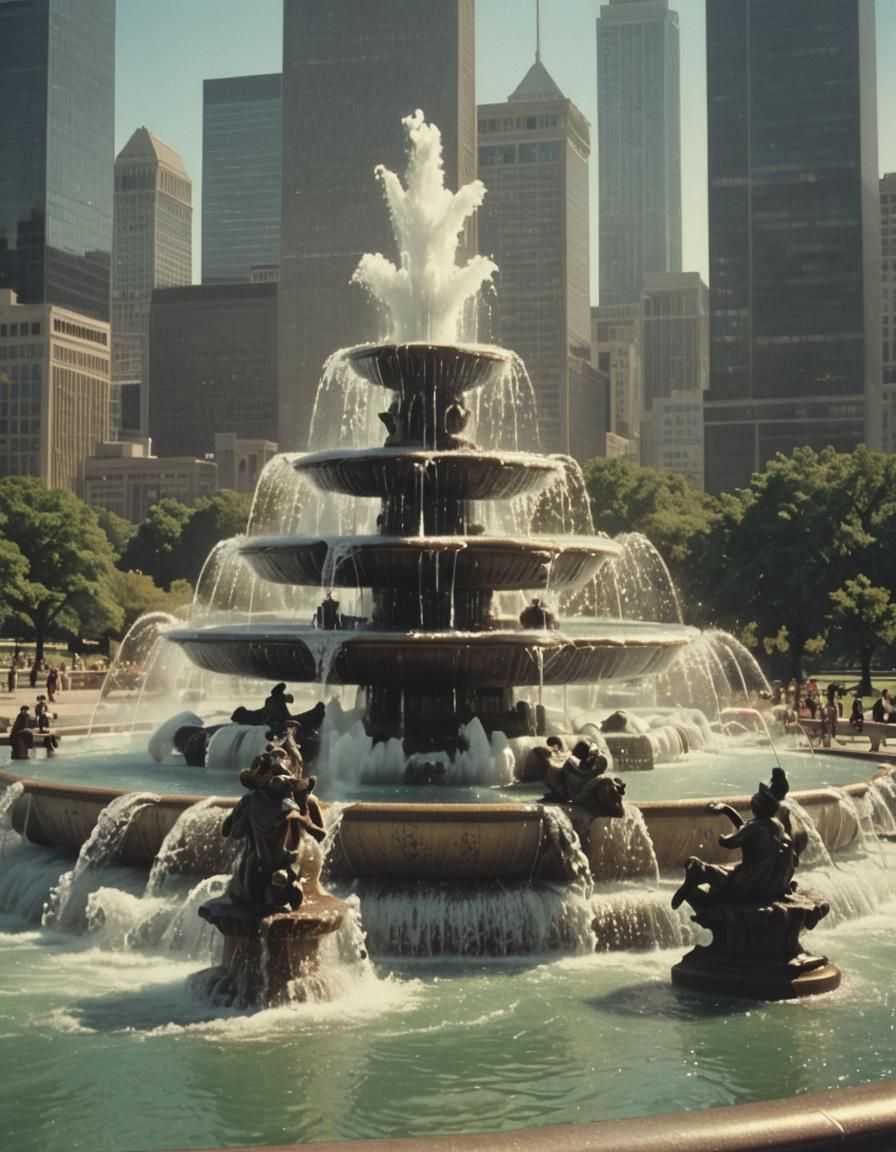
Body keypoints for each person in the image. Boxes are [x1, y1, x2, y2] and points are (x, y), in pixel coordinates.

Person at [671, 782, 797, 910]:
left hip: (749, 882)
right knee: (726, 872)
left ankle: (696, 874)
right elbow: (745, 830)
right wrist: (727, 810)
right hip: (769, 883)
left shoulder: (754, 826)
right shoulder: (778, 826)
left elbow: (729, 842)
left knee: (711, 872)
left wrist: (722, 837)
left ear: (756, 807)